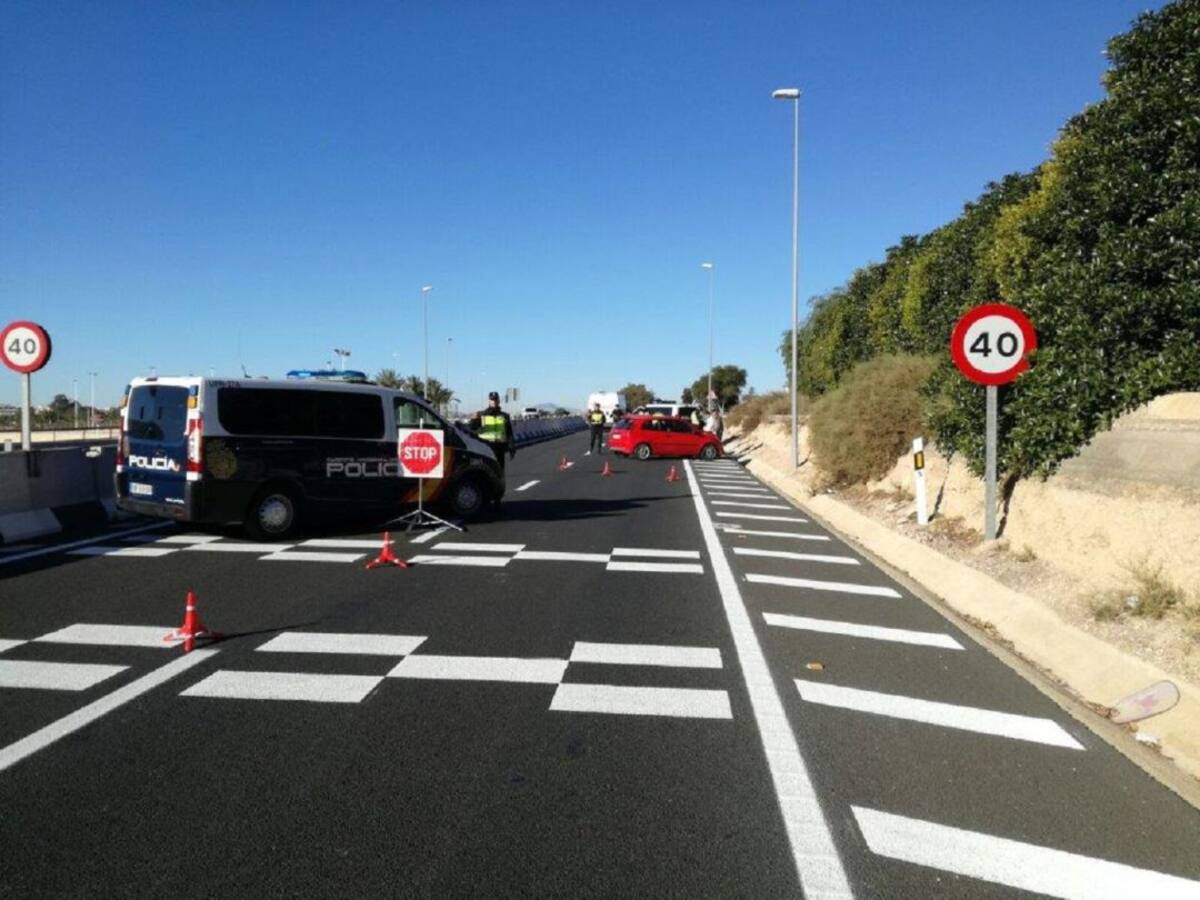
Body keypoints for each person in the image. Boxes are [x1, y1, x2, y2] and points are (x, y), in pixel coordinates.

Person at [471, 391, 516, 474]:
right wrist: (474, 419)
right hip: (486, 449)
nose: (494, 402)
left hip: (500, 449)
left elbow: (509, 433)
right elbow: (472, 428)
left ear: (498, 401)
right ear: (489, 401)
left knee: (499, 473)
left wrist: (512, 447)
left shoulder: (504, 416)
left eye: (495, 400)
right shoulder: (482, 415)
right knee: (486, 473)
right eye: (492, 400)